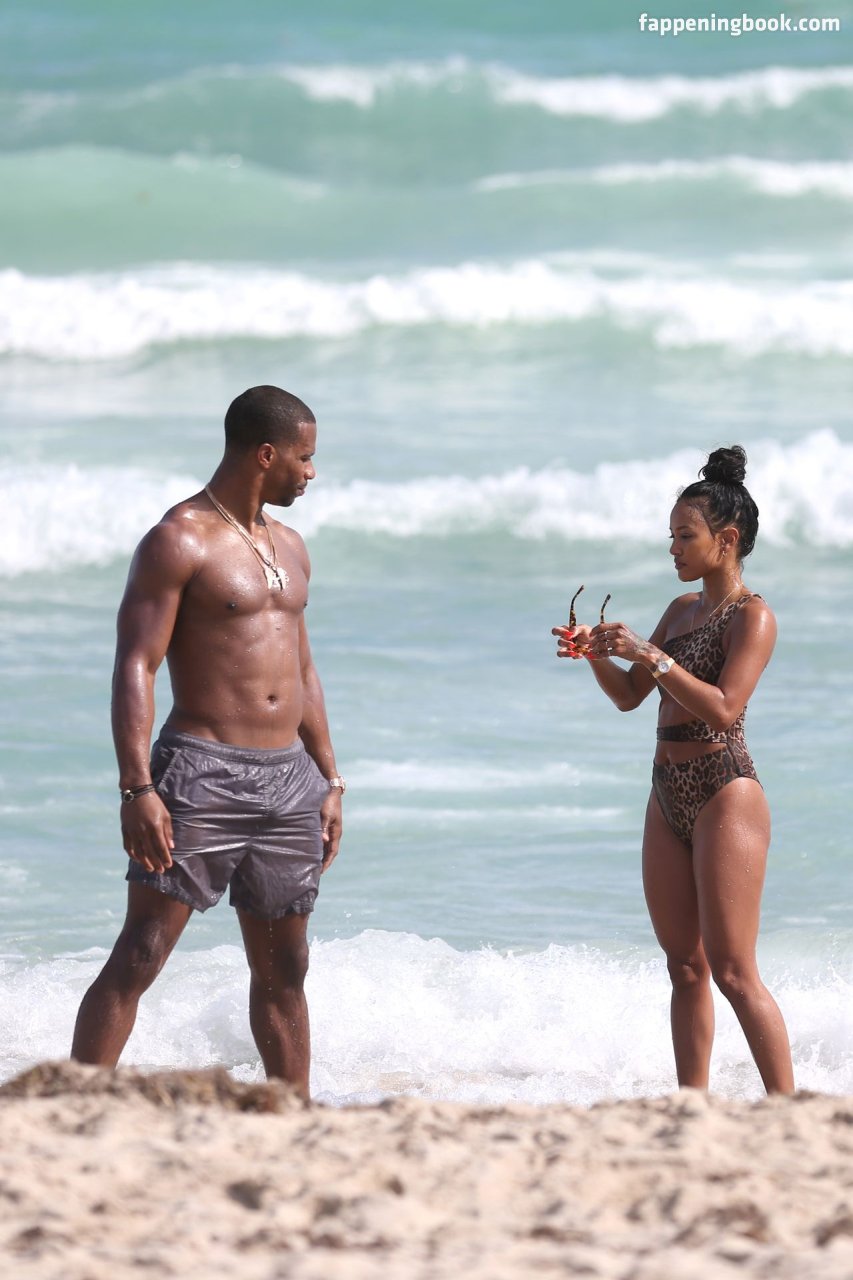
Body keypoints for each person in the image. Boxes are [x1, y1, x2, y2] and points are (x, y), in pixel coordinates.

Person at [71, 385, 344, 1098]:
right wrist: (137, 787)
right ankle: (74, 1103)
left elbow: (303, 669)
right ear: (266, 454)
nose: (311, 472)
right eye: (304, 457)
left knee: (285, 969)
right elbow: (136, 665)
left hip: (290, 779)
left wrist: (330, 778)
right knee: (142, 953)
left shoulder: (291, 546)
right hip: (202, 772)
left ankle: (291, 1114)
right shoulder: (179, 539)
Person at [552, 446, 794, 1094]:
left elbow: (723, 707)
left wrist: (651, 655)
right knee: (684, 966)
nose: (673, 548)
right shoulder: (681, 608)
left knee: (733, 971)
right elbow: (630, 697)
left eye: (685, 536)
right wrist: (595, 654)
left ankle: (788, 1107)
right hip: (666, 792)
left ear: (727, 539)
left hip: (724, 790)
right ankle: (693, 1106)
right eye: (671, 536)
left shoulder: (753, 617)